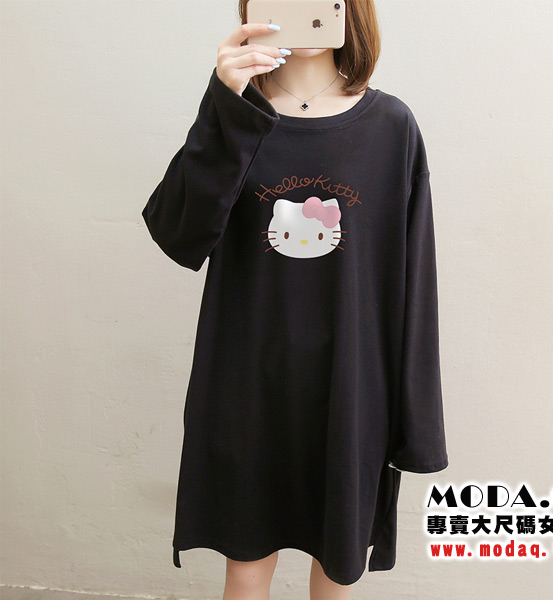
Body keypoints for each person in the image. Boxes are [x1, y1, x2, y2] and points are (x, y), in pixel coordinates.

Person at [141, 1, 449, 599]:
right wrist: (224, 103)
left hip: (351, 389)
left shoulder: (390, 126)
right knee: (246, 566)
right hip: (247, 387)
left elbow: (416, 276)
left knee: (337, 567)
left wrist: (417, 420)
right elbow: (179, 234)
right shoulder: (238, 115)